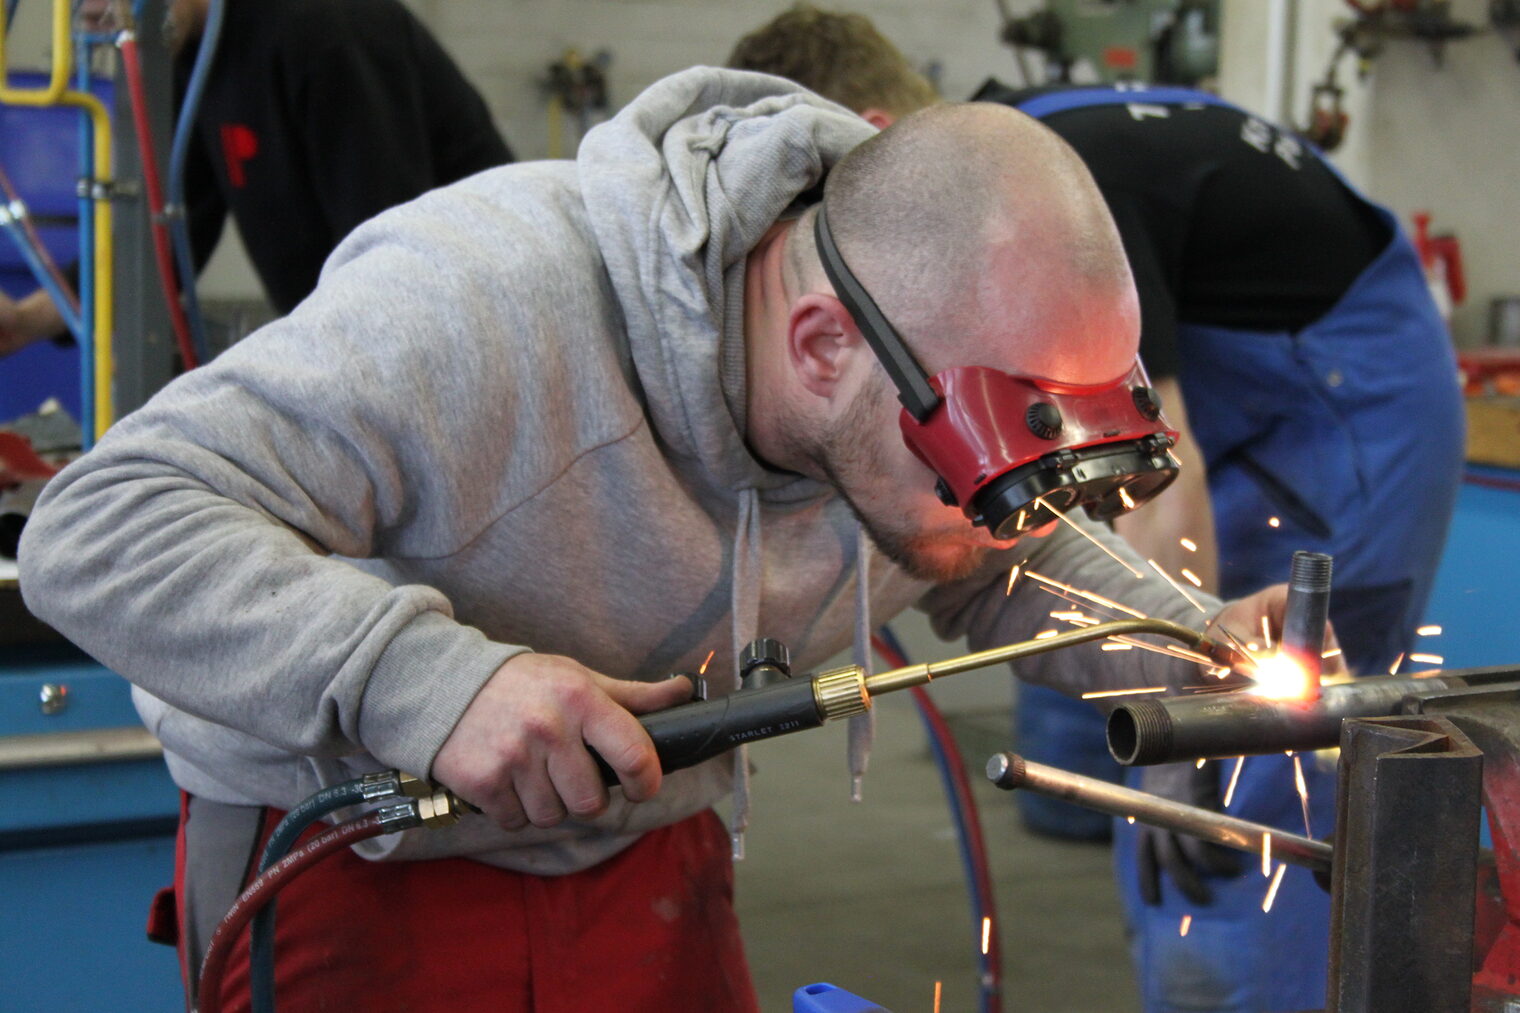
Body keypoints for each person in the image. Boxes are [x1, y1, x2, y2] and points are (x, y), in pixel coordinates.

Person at [20, 67, 1303, 1011]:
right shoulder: (477, 306)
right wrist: (434, 680)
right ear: (820, 346)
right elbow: (101, 523)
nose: (985, 506)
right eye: (967, 464)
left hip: (646, 834)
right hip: (359, 853)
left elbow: (995, 555)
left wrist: (1181, 640)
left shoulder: (899, 353)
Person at [727, 7, 1465, 1012]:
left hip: (1349, 411)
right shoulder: (1007, 160)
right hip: (1259, 382)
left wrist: (1181, 732)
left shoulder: (1043, 201)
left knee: (1272, 728)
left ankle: (1266, 990)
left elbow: (1165, 474)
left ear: (864, 131)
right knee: (1172, 693)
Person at [0, 0, 512, 354]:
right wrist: (23, 323)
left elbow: (390, 251)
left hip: (481, 336)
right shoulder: (186, 52)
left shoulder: (325, 27)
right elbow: (164, 247)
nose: (93, 12)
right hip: (376, 342)